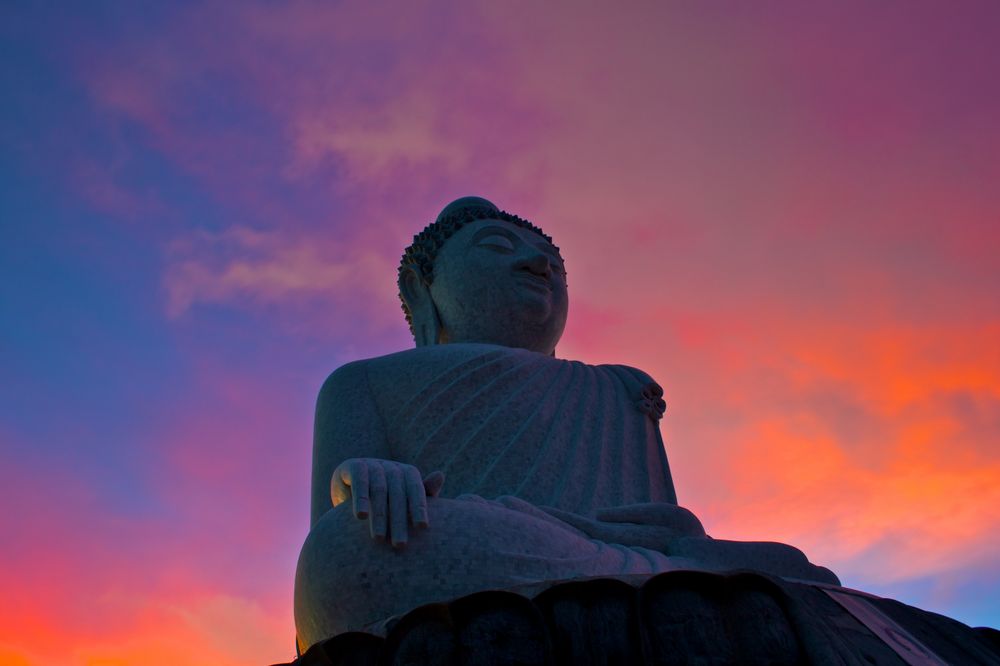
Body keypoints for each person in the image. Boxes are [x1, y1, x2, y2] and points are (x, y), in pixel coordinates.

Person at [293, 197, 837, 651]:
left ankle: (659, 576)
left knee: (790, 569)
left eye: (553, 262)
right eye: (499, 248)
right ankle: (665, 578)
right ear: (421, 288)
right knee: (343, 550)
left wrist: (656, 545)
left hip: (591, 556)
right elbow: (330, 529)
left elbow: (660, 521)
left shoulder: (614, 386)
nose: (539, 266)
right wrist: (361, 481)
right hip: (470, 544)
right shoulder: (363, 381)